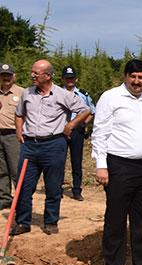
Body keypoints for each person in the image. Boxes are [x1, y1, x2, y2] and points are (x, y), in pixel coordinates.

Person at [92, 59, 142, 265]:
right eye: (133, 76)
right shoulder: (111, 97)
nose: (137, 81)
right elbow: (99, 132)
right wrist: (101, 164)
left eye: (141, 77)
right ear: (125, 76)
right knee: (116, 218)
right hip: (119, 166)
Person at [12, 59, 90, 236]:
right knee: (24, 185)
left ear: (47, 76)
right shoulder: (27, 93)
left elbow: (85, 110)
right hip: (29, 145)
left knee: (53, 185)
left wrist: (71, 125)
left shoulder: (63, 95)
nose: (32, 75)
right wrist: (19, 131)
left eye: (36, 73)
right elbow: (18, 114)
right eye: (32, 72)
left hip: (54, 145)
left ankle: (51, 221)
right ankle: (23, 222)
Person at [61, 65, 95, 202]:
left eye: (72, 78)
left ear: (76, 79)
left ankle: (76, 190)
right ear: (63, 79)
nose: (70, 80)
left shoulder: (83, 94)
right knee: (58, 161)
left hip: (77, 131)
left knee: (76, 161)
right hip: (61, 131)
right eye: (67, 78)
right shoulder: (57, 93)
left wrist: (83, 123)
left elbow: (92, 111)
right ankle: (57, 188)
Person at [0, 63, 23, 210]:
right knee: (1, 169)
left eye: (8, 75)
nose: (6, 78)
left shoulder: (22, 93)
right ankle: (5, 198)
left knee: (16, 169)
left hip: (13, 135)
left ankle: (21, 199)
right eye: (3, 75)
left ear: (14, 76)